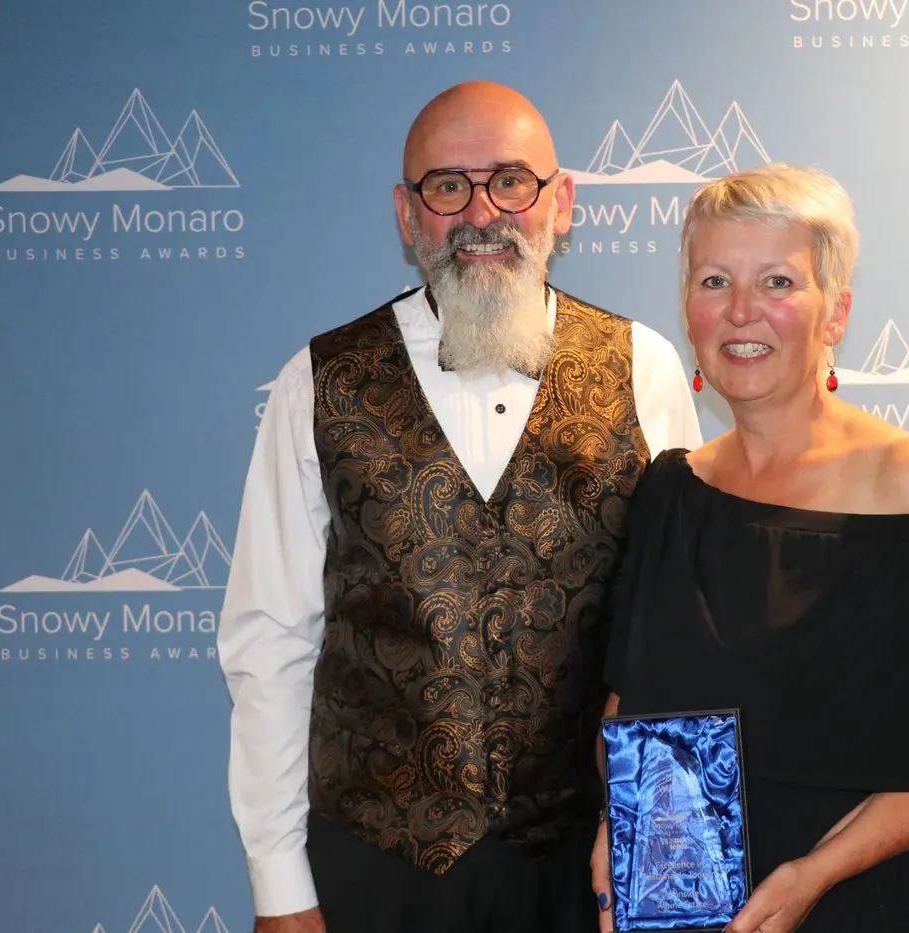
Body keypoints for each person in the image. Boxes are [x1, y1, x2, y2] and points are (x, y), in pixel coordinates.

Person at [218, 80, 703, 933]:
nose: (482, 212)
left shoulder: (644, 366)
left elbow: (680, 631)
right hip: (377, 870)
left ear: (562, 204)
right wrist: (279, 887)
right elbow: (270, 639)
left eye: (512, 180)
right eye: (447, 186)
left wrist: (668, 863)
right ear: (408, 216)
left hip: (587, 867)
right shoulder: (319, 382)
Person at [590, 163, 909, 933]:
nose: (740, 311)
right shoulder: (671, 493)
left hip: (854, 905)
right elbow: (626, 704)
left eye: (777, 282)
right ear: (686, 306)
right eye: (713, 281)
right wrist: (622, 834)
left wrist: (812, 876)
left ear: (834, 312)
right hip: (683, 911)